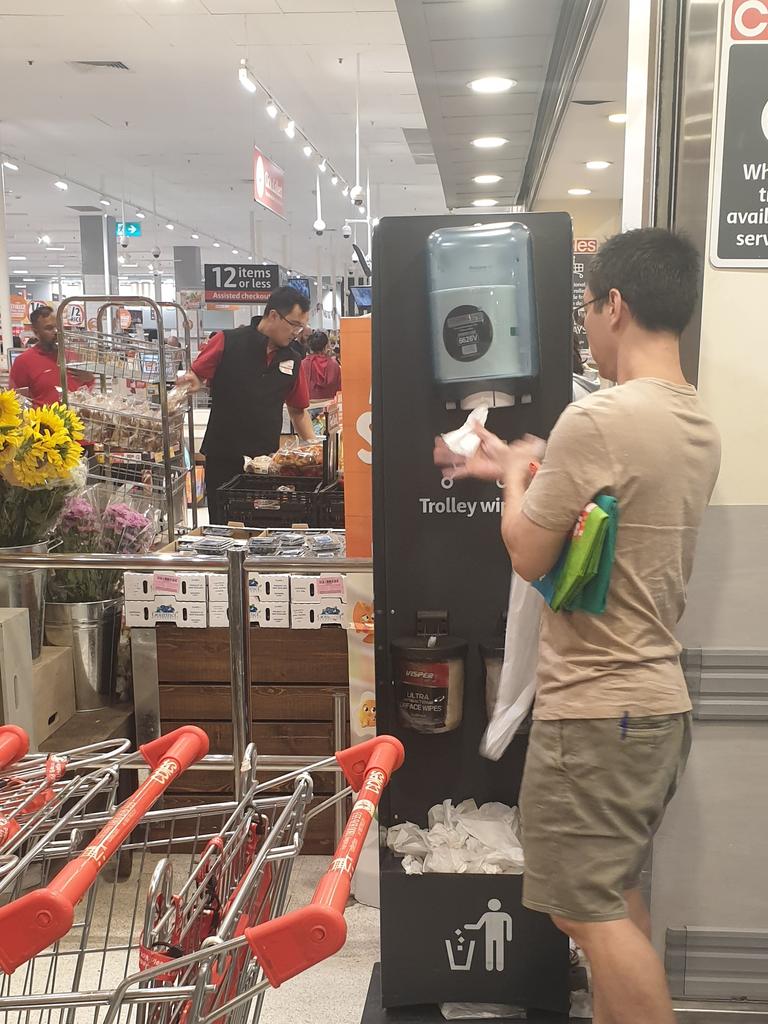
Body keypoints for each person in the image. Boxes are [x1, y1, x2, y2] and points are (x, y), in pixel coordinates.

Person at [435, 228, 721, 1024]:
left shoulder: (598, 420)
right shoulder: (692, 421)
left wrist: (519, 478)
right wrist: (526, 469)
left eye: (586, 309)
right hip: (652, 705)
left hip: (596, 708)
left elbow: (529, 551)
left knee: (580, 910)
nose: (585, 327)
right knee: (611, 892)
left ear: (615, 305)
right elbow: (601, 518)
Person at [181, 286, 315, 523]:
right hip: (223, 453)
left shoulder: (293, 360)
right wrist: (192, 381)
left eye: (301, 326)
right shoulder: (227, 341)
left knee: (262, 523)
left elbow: (298, 409)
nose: (297, 332)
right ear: (273, 315)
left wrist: (314, 449)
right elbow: (197, 373)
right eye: (294, 324)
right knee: (222, 526)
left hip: (264, 463)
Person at [9, 305, 93, 406]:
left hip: (75, 419)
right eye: (49, 328)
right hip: (42, 420)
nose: (56, 332)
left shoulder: (74, 357)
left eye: (58, 327)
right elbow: (16, 400)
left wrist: (89, 378)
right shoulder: (23, 362)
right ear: (36, 332)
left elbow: (88, 392)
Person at [303, 330, 341, 401]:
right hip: (330, 404)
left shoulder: (304, 363)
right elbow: (339, 387)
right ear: (326, 346)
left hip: (309, 404)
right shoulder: (334, 364)